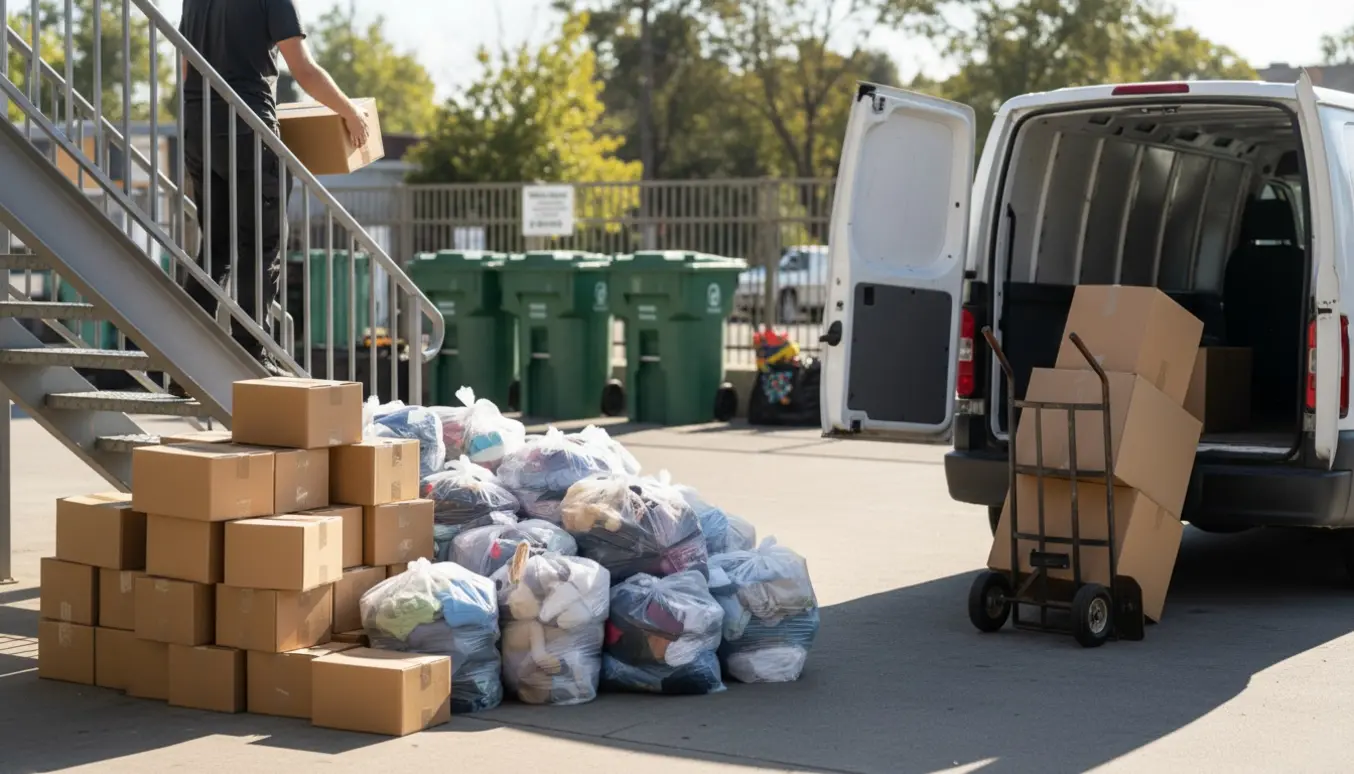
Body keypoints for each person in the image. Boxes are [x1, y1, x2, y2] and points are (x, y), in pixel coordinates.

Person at [176, 0, 369, 388]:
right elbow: (303, 68)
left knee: (216, 249)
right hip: (248, 128)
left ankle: (180, 356)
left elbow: (185, 65)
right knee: (261, 245)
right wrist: (350, 112)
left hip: (199, 128)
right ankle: (252, 355)